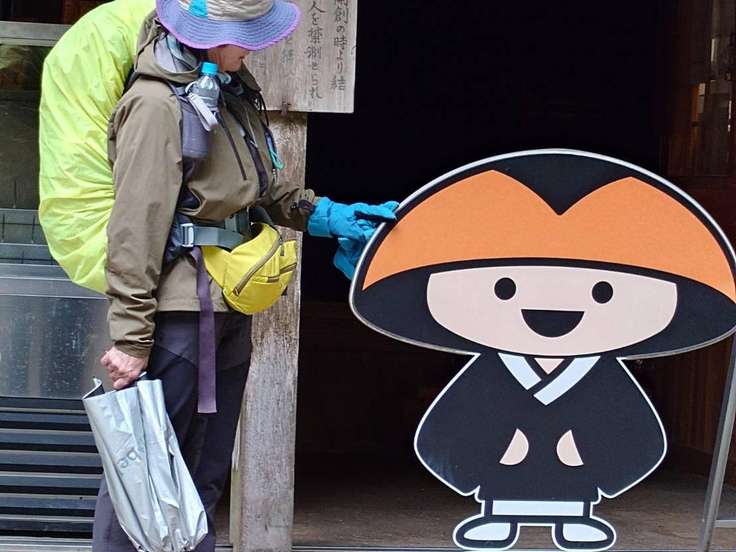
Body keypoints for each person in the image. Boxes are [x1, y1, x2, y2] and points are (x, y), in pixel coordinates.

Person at [93, 0, 397, 550]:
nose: (257, 45)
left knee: (205, 472)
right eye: (246, 35)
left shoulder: (229, 92)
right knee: (150, 478)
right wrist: (132, 339)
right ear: (207, 36)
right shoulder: (156, 105)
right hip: (179, 316)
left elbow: (264, 188)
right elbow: (135, 228)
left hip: (227, 305)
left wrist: (329, 216)